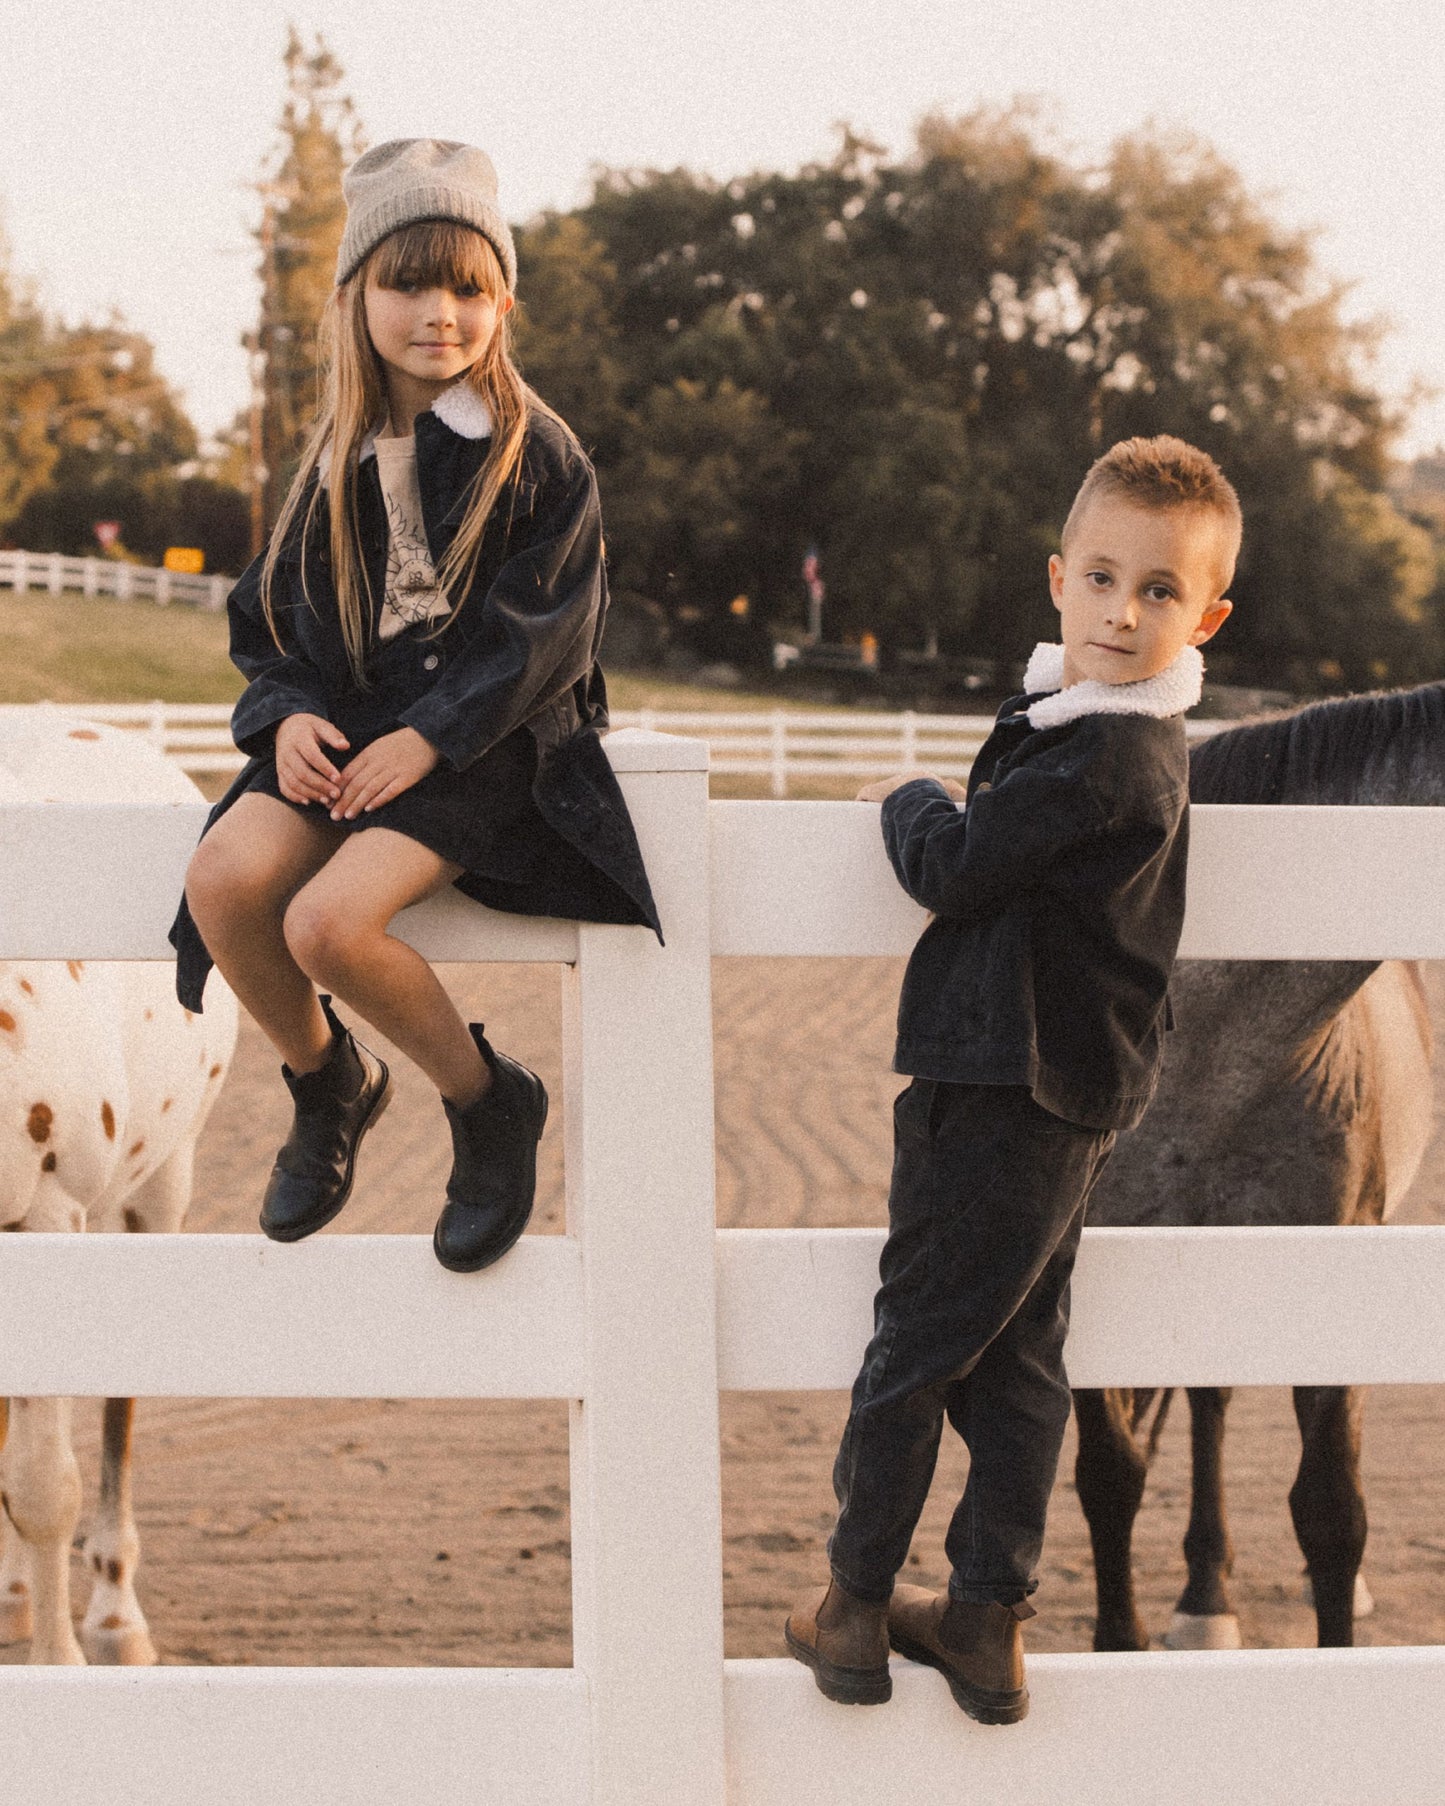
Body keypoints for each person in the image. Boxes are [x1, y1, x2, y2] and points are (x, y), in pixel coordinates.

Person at [785, 436, 1239, 1722]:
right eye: (1099, 577)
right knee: (1022, 1358)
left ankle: (854, 1603)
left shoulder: (1105, 757)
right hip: (1069, 1090)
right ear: (1056, 578)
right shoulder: (1109, 731)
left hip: (1000, 1084)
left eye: (1156, 592)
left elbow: (955, 867)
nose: (1118, 610)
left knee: (912, 1350)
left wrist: (907, 799)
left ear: (1202, 617)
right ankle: (984, 1618)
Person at [173, 139, 658, 1273]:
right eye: (407, 282)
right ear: (357, 297)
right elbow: (274, 621)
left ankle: (486, 1098)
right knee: (225, 878)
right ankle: (327, 1078)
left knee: (328, 925)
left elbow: (541, 639)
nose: (438, 311)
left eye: (469, 287)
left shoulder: (539, 459)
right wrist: (287, 716)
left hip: (487, 739)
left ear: (500, 301)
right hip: (350, 727)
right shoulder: (334, 457)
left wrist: (428, 740)